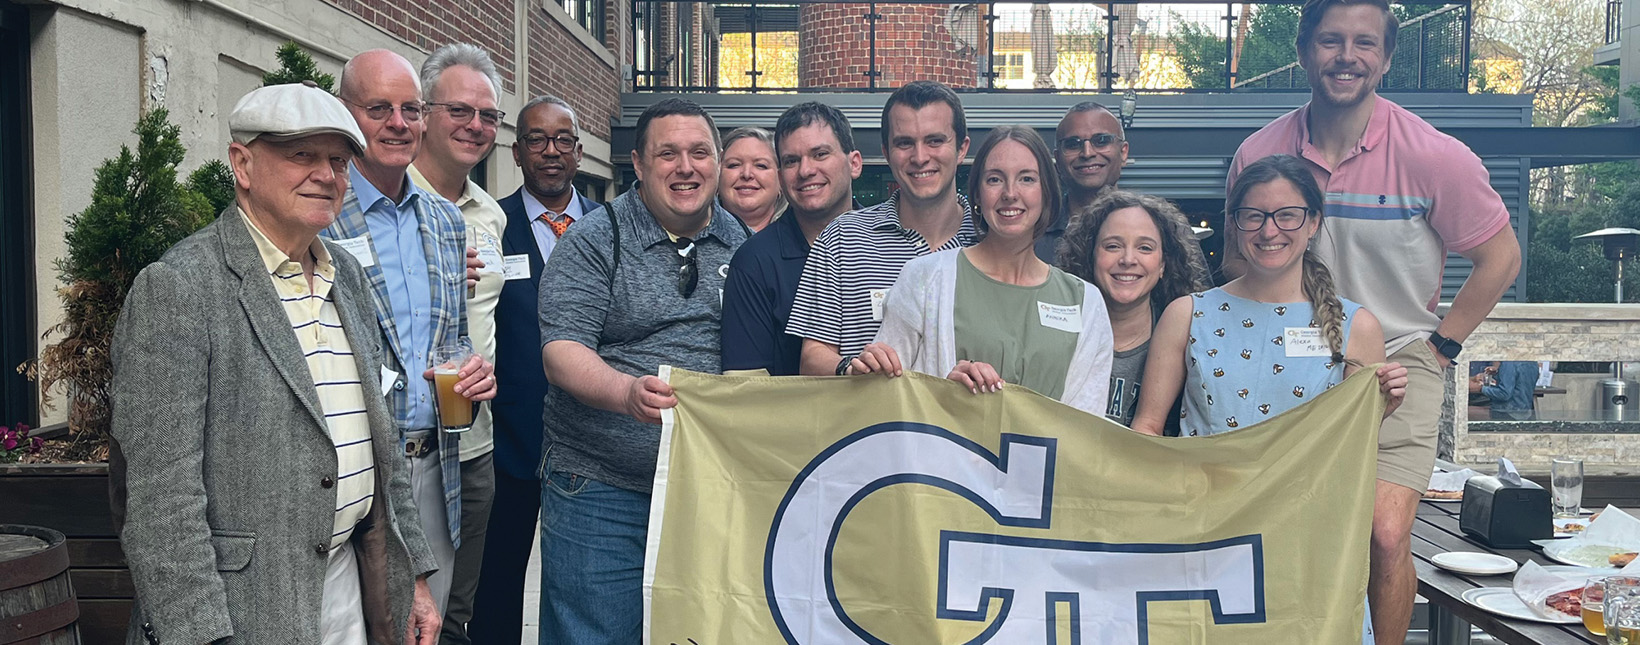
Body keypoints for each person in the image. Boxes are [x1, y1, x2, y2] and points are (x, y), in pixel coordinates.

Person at [109, 82, 453, 644]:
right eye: (302, 156)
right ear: (242, 164)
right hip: (244, 613)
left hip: (349, 590)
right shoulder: (179, 288)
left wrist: (411, 575)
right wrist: (202, 636)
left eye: (339, 161)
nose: (327, 175)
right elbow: (159, 503)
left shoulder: (348, 276)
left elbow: (380, 451)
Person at [1222, 1, 1521, 640]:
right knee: (1285, 523)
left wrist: (1442, 346)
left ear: (1385, 58)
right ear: (1304, 52)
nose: (1346, 57)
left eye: (1364, 44)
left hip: (1398, 357)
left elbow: (1501, 256)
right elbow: (1234, 260)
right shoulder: (1260, 151)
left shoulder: (1436, 156)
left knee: (1385, 534)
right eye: (1331, 41)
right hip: (1290, 351)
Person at [1135, 154, 1406, 644]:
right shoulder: (1187, 314)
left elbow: (1348, 450)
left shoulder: (1354, 326)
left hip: (1304, 540)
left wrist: (1380, 408)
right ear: (1234, 225)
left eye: (1287, 215)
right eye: (1253, 215)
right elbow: (1148, 430)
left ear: (1313, 222)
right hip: (1205, 532)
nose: (1269, 230)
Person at [537, 97, 748, 643]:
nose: (686, 167)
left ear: (718, 162)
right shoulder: (593, 239)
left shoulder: (742, 243)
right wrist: (625, 392)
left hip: (704, 490)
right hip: (602, 488)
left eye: (700, 152)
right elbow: (561, 351)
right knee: (594, 636)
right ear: (638, 163)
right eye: (668, 154)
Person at [324, 48, 496, 614]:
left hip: (438, 465)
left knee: (433, 623)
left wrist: (473, 375)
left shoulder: (446, 221)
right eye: (379, 108)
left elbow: (453, 339)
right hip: (352, 473)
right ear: (346, 114)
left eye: (410, 110)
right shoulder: (321, 213)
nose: (398, 124)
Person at [467, 94, 600, 645]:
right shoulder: (488, 226)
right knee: (497, 585)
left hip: (593, 444)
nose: (551, 152)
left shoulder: (609, 226)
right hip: (511, 441)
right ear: (516, 152)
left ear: (579, 151)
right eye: (537, 141)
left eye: (563, 140)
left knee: (585, 587)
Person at [868, 126, 1114, 414]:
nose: (1010, 193)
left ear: (1047, 193)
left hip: (1048, 460)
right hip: (943, 458)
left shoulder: (1085, 302)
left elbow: (1088, 423)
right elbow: (882, 400)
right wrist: (941, 395)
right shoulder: (924, 278)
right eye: (995, 179)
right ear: (977, 194)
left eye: (1027, 179)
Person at [404, 43, 506, 644]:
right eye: (459, 110)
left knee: (456, 610)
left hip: (475, 440)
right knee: (401, 610)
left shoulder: (489, 214)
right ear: (424, 112)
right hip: (407, 449)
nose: (475, 125)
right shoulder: (383, 202)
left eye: (488, 115)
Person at [787, 80, 978, 376]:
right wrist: (851, 369)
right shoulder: (842, 238)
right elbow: (811, 358)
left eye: (934, 141)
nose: (919, 157)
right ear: (887, 152)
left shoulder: (988, 241)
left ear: (962, 148)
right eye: (904, 143)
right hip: (867, 421)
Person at [721, 102, 863, 375]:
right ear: (781, 178)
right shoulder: (754, 262)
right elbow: (747, 388)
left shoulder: (890, 243)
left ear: (854, 163)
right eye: (791, 161)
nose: (805, 170)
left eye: (820, 154)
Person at [1056, 190, 1212, 427]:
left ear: (1163, 265)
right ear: (1090, 257)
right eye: (1112, 246)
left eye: (1145, 248)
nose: (1128, 259)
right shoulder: (1057, 330)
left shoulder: (1190, 344)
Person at [1038, 102, 1130, 262]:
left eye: (1101, 141)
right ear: (1058, 159)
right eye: (1073, 144)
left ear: (1123, 152)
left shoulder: (1154, 228)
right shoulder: (1031, 235)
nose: (1087, 153)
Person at [718, 126, 785, 232]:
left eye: (761, 165)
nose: (746, 174)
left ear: (781, 179)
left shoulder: (805, 236)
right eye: (734, 165)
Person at [1468, 361, 1537, 420]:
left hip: (1508, 413)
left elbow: (1504, 394)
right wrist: (1498, 373)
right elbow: (1519, 383)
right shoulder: (1533, 363)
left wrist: (1480, 389)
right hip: (1525, 412)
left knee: (1463, 412)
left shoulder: (1509, 363)